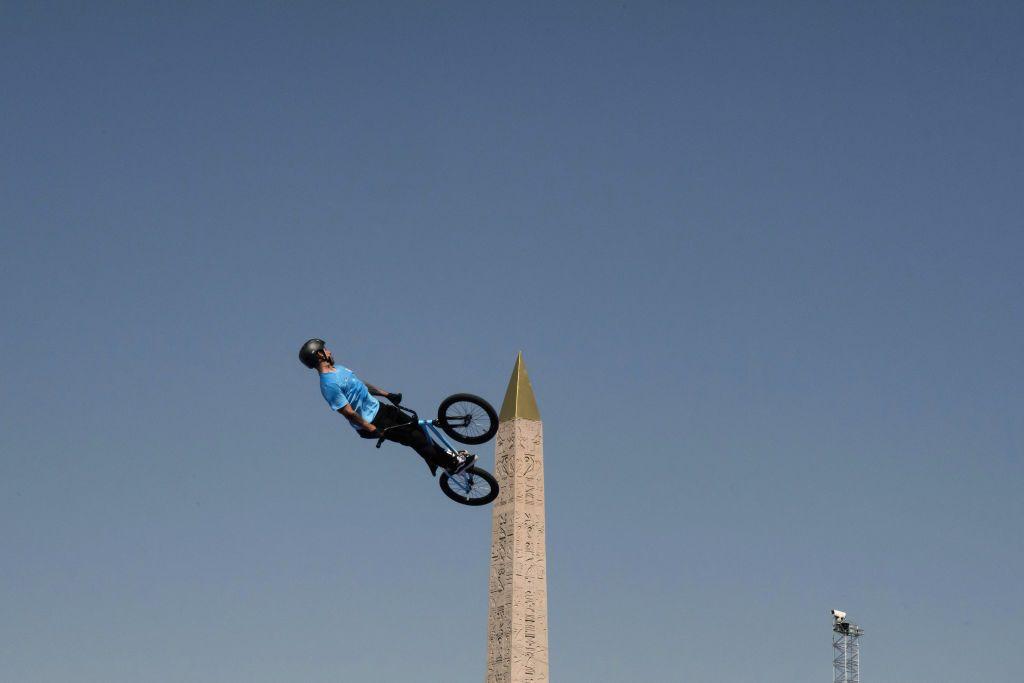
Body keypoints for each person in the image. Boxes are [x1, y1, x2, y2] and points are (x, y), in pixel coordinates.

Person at [298, 338, 475, 475]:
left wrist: (387, 394)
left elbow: (361, 385)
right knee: (414, 438)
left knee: (420, 429)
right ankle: (451, 466)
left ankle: (447, 457)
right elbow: (348, 412)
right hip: (372, 422)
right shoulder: (328, 385)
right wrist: (372, 429)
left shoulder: (340, 369)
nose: (329, 350)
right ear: (319, 355)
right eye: (325, 349)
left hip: (381, 408)